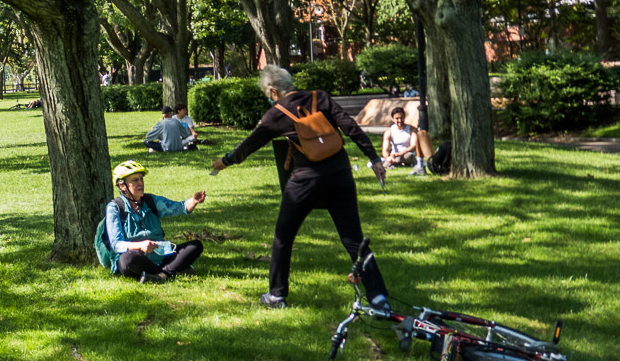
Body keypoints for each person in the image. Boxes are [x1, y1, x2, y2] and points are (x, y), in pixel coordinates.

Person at [211, 65, 391, 310]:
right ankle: (379, 298)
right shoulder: (321, 97)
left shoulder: (276, 114)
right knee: (353, 239)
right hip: (340, 175)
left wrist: (226, 161)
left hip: (305, 181)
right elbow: (350, 127)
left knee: (283, 238)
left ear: (273, 91)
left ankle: (276, 295)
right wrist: (375, 158)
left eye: (267, 92)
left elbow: (249, 145)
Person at [107, 160, 205, 283]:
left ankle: (160, 276)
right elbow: (116, 244)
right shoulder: (115, 208)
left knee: (195, 246)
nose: (140, 183)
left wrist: (194, 201)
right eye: (135, 180)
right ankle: (174, 269)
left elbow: (178, 207)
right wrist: (140, 246)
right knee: (128, 259)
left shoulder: (151, 201)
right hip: (135, 257)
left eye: (141, 179)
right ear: (122, 186)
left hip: (160, 255)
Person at [381, 107, 425, 175]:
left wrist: (401, 153)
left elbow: (413, 146)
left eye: (401, 118)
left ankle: (397, 163)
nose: (400, 120)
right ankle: (395, 163)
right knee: (387, 162)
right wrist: (388, 158)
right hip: (395, 156)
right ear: (392, 119)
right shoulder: (389, 132)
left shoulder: (412, 129)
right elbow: (385, 150)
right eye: (397, 118)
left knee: (408, 156)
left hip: (407, 154)